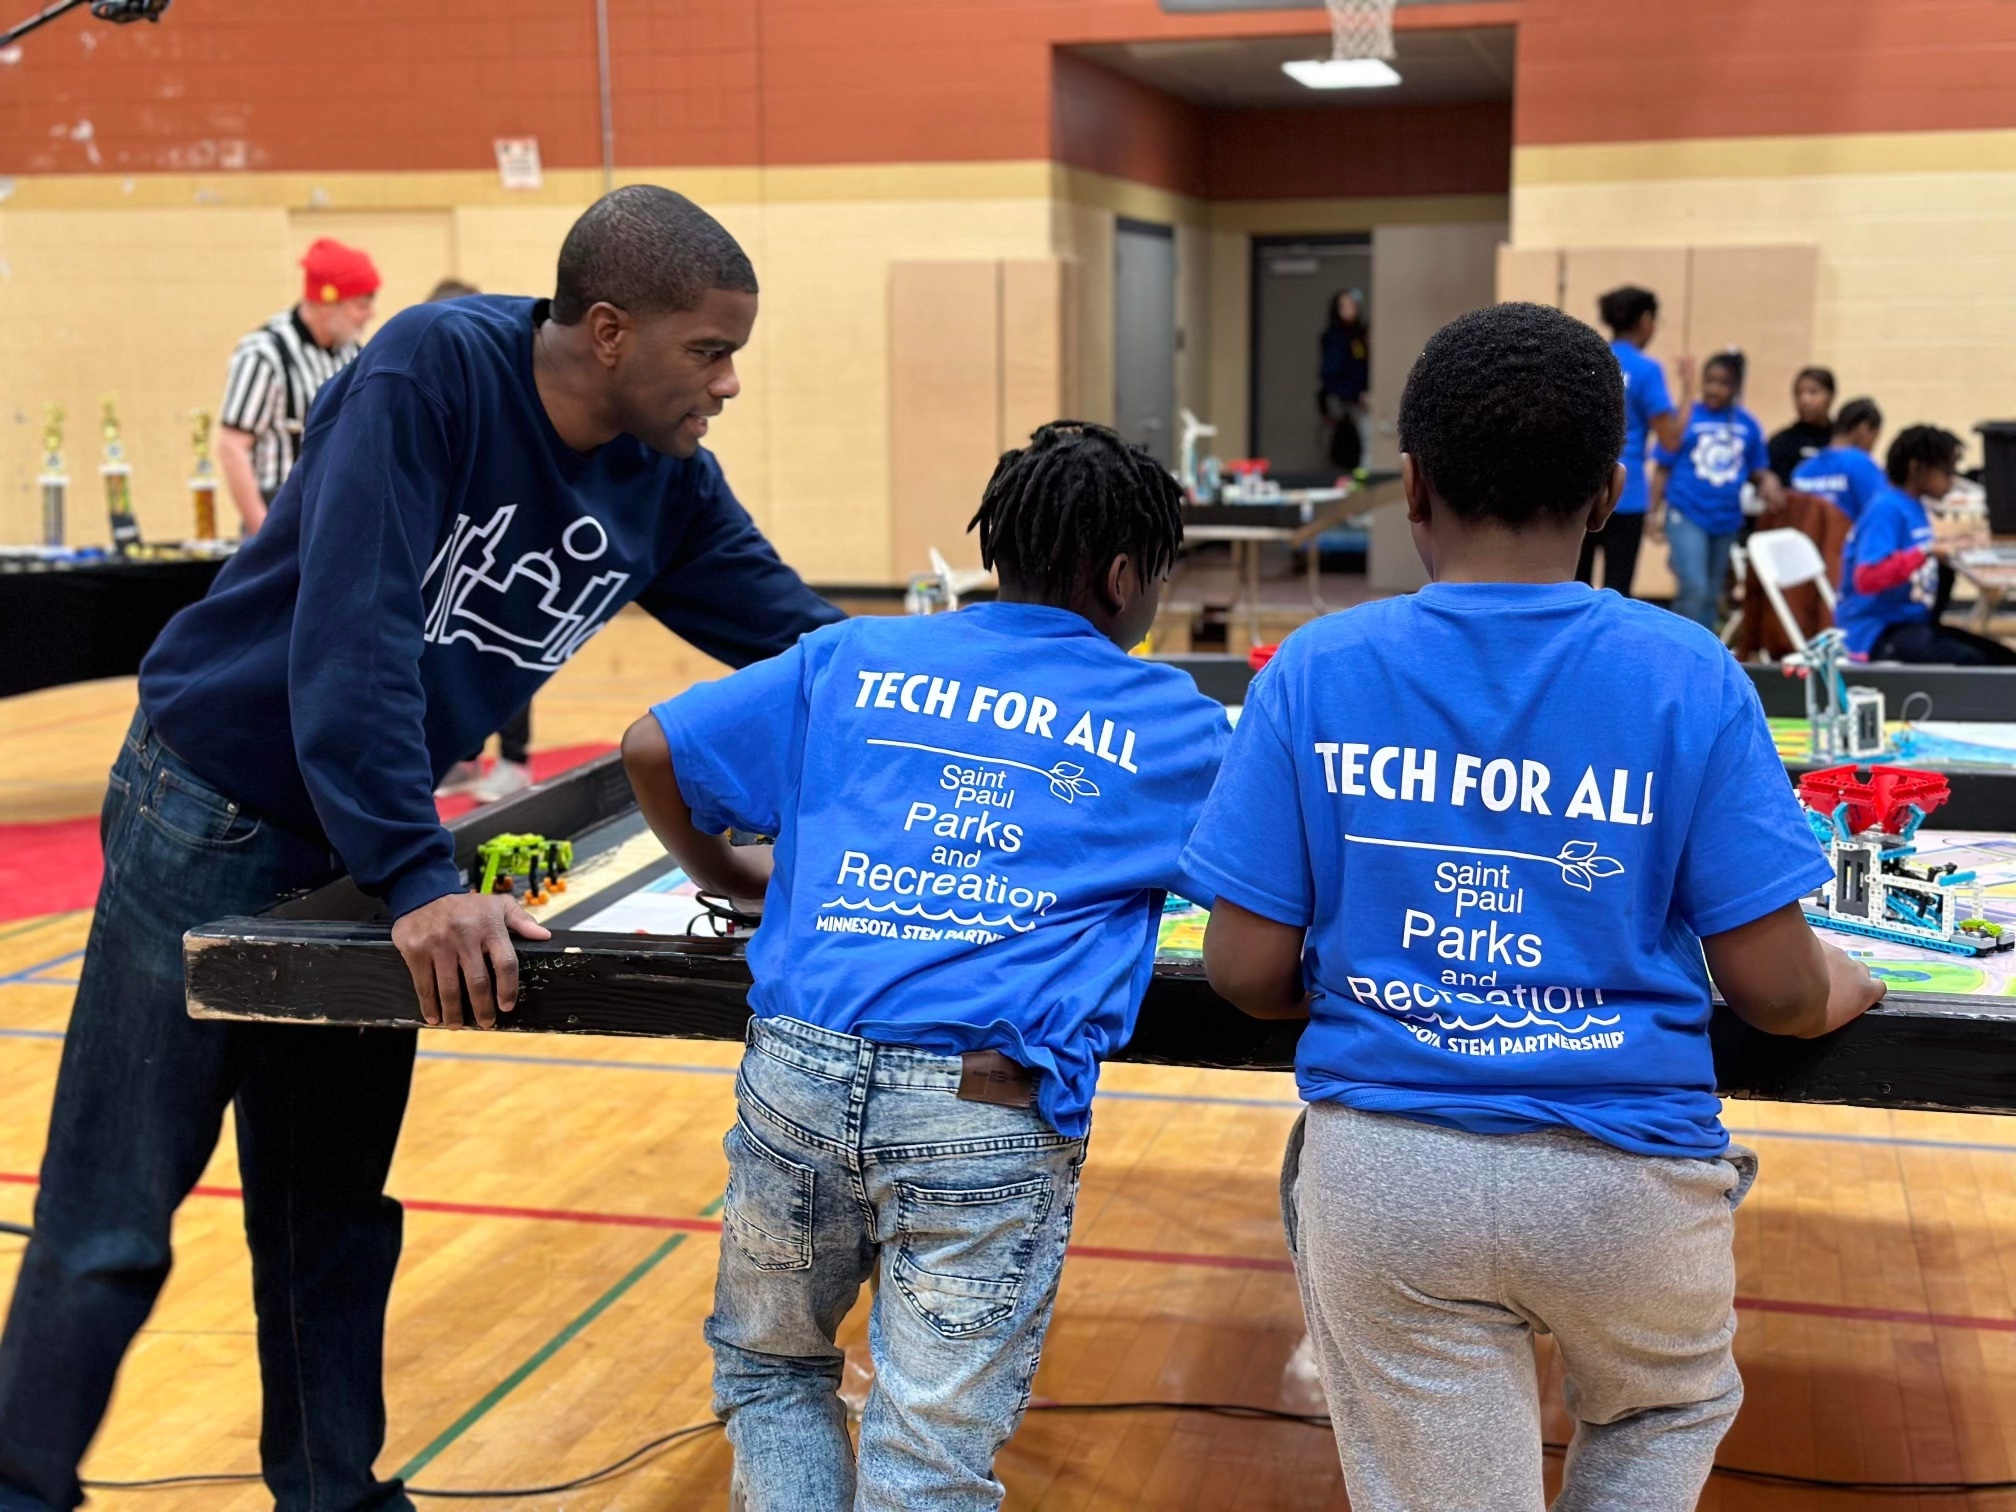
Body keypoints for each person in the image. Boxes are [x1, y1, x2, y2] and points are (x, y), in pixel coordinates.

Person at [0, 186, 842, 1512]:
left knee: (330, 1213)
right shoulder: (425, 376)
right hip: (214, 807)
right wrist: (421, 877)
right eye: (710, 350)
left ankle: (334, 1496)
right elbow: (352, 650)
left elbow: (801, 651)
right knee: (113, 1214)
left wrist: (959, 703)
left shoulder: (666, 479)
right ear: (610, 331)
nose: (730, 382)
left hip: (364, 838)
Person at [1183, 301, 1885, 1512]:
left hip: (1384, 1184)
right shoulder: (1688, 672)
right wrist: (1848, 986)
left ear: (1411, 486)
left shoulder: (1315, 667)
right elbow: (1776, 992)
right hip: (1627, 1185)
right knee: (1668, 1410)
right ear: (1613, 491)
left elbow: (1244, 971)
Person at [622, 421, 1230, 1511]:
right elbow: (1276, 888)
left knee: (771, 1372)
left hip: (797, 1075)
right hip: (985, 1109)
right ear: (1127, 576)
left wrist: (736, 875)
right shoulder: (1171, 722)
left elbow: (652, 747)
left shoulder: (852, 652)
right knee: (928, 1460)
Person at [419, 277, 538, 805]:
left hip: (508, 546)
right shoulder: (431, 386)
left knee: (503, 644)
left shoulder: (508, 384)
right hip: (452, 546)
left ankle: (515, 759)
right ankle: (463, 755)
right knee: (447, 650)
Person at [217, 237, 380, 535]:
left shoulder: (351, 353)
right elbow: (232, 447)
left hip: (335, 509)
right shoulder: (264, 354)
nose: (370, 314)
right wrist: (262, 532)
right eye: (361, 304)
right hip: (280, 510)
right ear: (328, 302)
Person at [1837, 425, 2015, 665]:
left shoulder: (1913, 505)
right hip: (1876, 634)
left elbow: (1911, 552)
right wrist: (1926, 552)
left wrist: (1948, 546)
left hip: (1912, 624)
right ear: (1916, 468)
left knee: (2003, 659)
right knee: (1980, 665)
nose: (1952, 479)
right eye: (1947, 470)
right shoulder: (1886, 508)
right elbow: (1867, 577)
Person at [1652, 350, 1781, 629]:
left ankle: (1706, 657)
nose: (1713, 389)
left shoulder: (1747, 424)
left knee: (1712, 595)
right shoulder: (1686, 416)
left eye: (1722, 383)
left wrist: (1767, 480)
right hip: (1686, 512)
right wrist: (1652, 513)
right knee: (1694, 587)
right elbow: (1663, 466)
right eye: (1709, 381)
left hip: (1726, 519)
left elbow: (1757, 467)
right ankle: (1679, 649)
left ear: (1735, 388)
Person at [1578, 285, 1687, 597]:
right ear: (1645, 320)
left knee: (1574, 588)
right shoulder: (1647, 369)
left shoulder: (1589, 361)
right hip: (1627, 493)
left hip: (1581, 490)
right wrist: (1689, 391)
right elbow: (1670, 440)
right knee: (1619, 590)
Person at [1789, 397, 1886, 524]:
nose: (1873, 446)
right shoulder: (1862, 464)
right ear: (1864, 429)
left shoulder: (1802, 470)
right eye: (1875, 437)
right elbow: (1882, 515)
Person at [1319, 289, 1370, 473]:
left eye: (1353, 305)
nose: (1350, 309)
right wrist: (1356, 394)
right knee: (1345, 453)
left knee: (1367, 450)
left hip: (1361, 401)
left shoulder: (1360, 334)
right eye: (1344, 306)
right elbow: (1330, 377)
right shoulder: (1335, 338)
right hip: (1346, 404)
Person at [1767, 365, 1837, 485]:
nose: (1804, 400)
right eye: (1798, 393)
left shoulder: (1841, 441)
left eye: (1813, 392)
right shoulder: (1780, 443)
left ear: (1830, 396)